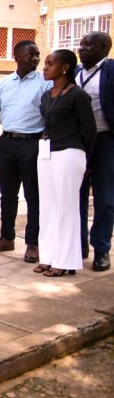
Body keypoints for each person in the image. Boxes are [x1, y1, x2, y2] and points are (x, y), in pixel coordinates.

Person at [0, 41, 48, 263]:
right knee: (7, 195)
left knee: (33, 195)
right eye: (30, 54)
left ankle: (33, 243)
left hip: (32, 143)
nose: (36, 58)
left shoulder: (44, 82)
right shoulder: (3, 84)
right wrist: (13, 129)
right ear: (16, 56)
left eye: (37, 55)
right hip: (8, 142)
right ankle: (7, 237)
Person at [38, 49, 97, 277]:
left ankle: (66, 260)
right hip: (47, 153)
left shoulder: (78, 95)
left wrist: (85, 157)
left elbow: (89, 130)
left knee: (66, 207)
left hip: (70, 153)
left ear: (65, 67)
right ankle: (49, 255)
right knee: (49, 206)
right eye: (45, 64)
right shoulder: (47, 95)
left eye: (50, 64)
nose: (45, 68)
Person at [76, 32, 114, 272]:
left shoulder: (111, 71)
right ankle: (78, 246)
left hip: (104, 141)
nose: (82, 48)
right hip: (77, 143)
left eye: (88, 45)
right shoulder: (74, 72)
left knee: (105, 198)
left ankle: (101, 248)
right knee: (75, 196)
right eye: (81, 44)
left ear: (104, 48)